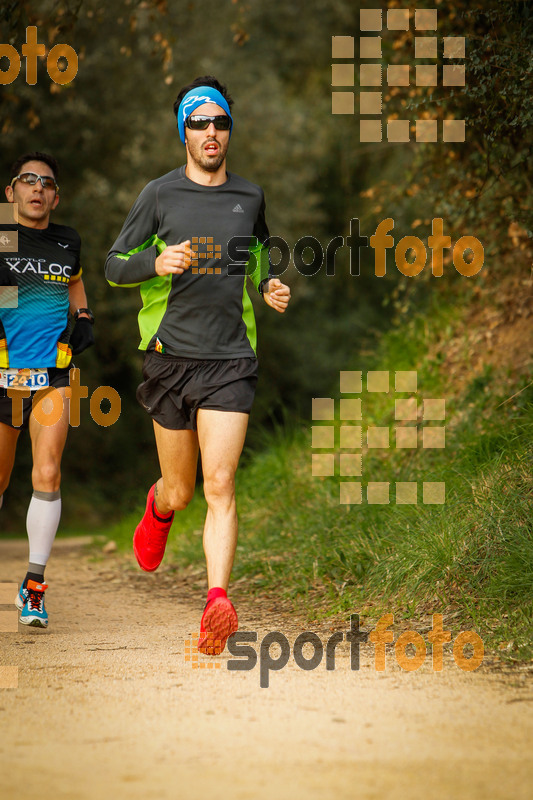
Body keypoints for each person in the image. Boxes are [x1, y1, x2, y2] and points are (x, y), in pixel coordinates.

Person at [105, 76, 290, 655]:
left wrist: (270, 283)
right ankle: (156, 511)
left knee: (221, 483)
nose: (211, 132)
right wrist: (154, 263)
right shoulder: (159, 196)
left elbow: (260, 250)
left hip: (231, 358)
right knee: (181, 491)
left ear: (230, 129)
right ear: (183, 131)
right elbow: (113, 264)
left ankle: (216, 601)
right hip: (170, 359)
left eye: (220, 122)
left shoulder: (250, 196)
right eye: (199, 123)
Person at [0, 152, 94, 628]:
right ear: (11, 190)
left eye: (47, 183)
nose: (37, 188)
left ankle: (34, 588)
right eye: (27, 180)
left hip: (52, 375)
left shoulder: (68, 240)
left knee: (48, 470)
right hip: (2, 374)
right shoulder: (1, 235)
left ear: (56, 196)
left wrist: (83, 317)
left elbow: (74, 286)